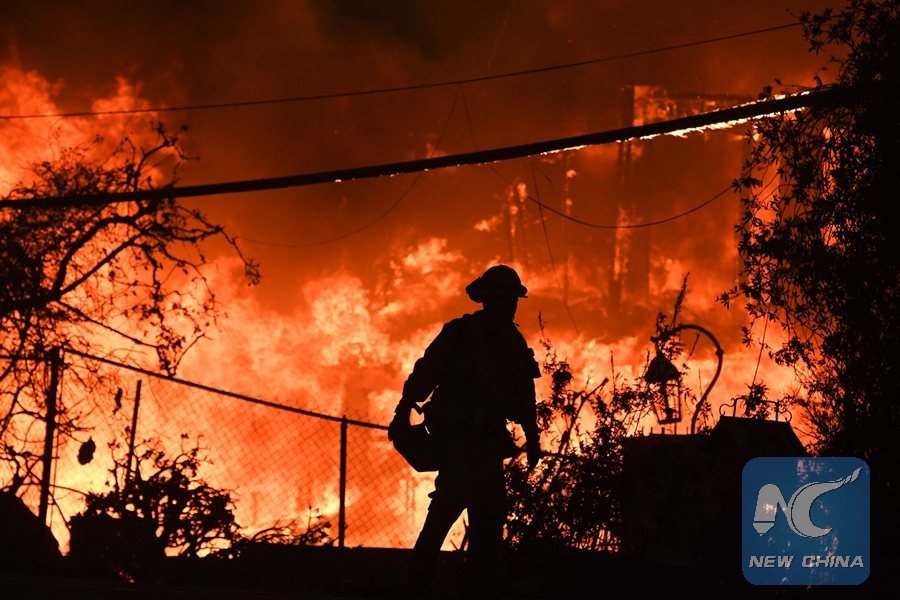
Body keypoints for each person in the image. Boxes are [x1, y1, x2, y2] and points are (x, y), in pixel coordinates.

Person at [392, 264, 542, 597]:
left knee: (487, 525)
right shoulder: (460, 333)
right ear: (489, 299)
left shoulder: (511, 342)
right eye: (506, 298)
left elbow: (524, 395)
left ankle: (471, 589)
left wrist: (532, 437)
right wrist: (405, 408)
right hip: (459, 444)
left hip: (486, 448)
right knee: (446, 513)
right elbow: (425, 374)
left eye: (513, 299)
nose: (511, 305)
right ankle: (418, 586)